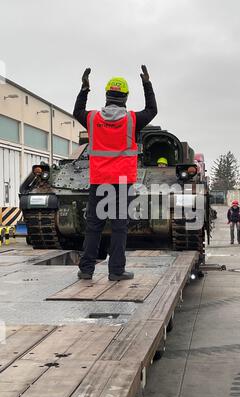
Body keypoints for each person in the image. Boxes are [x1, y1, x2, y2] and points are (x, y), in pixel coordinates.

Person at [73, 65, 157, 281]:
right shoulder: (131, 120)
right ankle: (116, 271)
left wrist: (84, 89)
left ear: (107, 95)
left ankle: (86, 270)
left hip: (99, 181)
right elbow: (152, 110)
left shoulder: (92, 119)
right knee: (119, 227)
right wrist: (147, 84)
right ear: (125, 97)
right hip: (122, 183)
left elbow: (77, 112)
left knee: (93, 226)